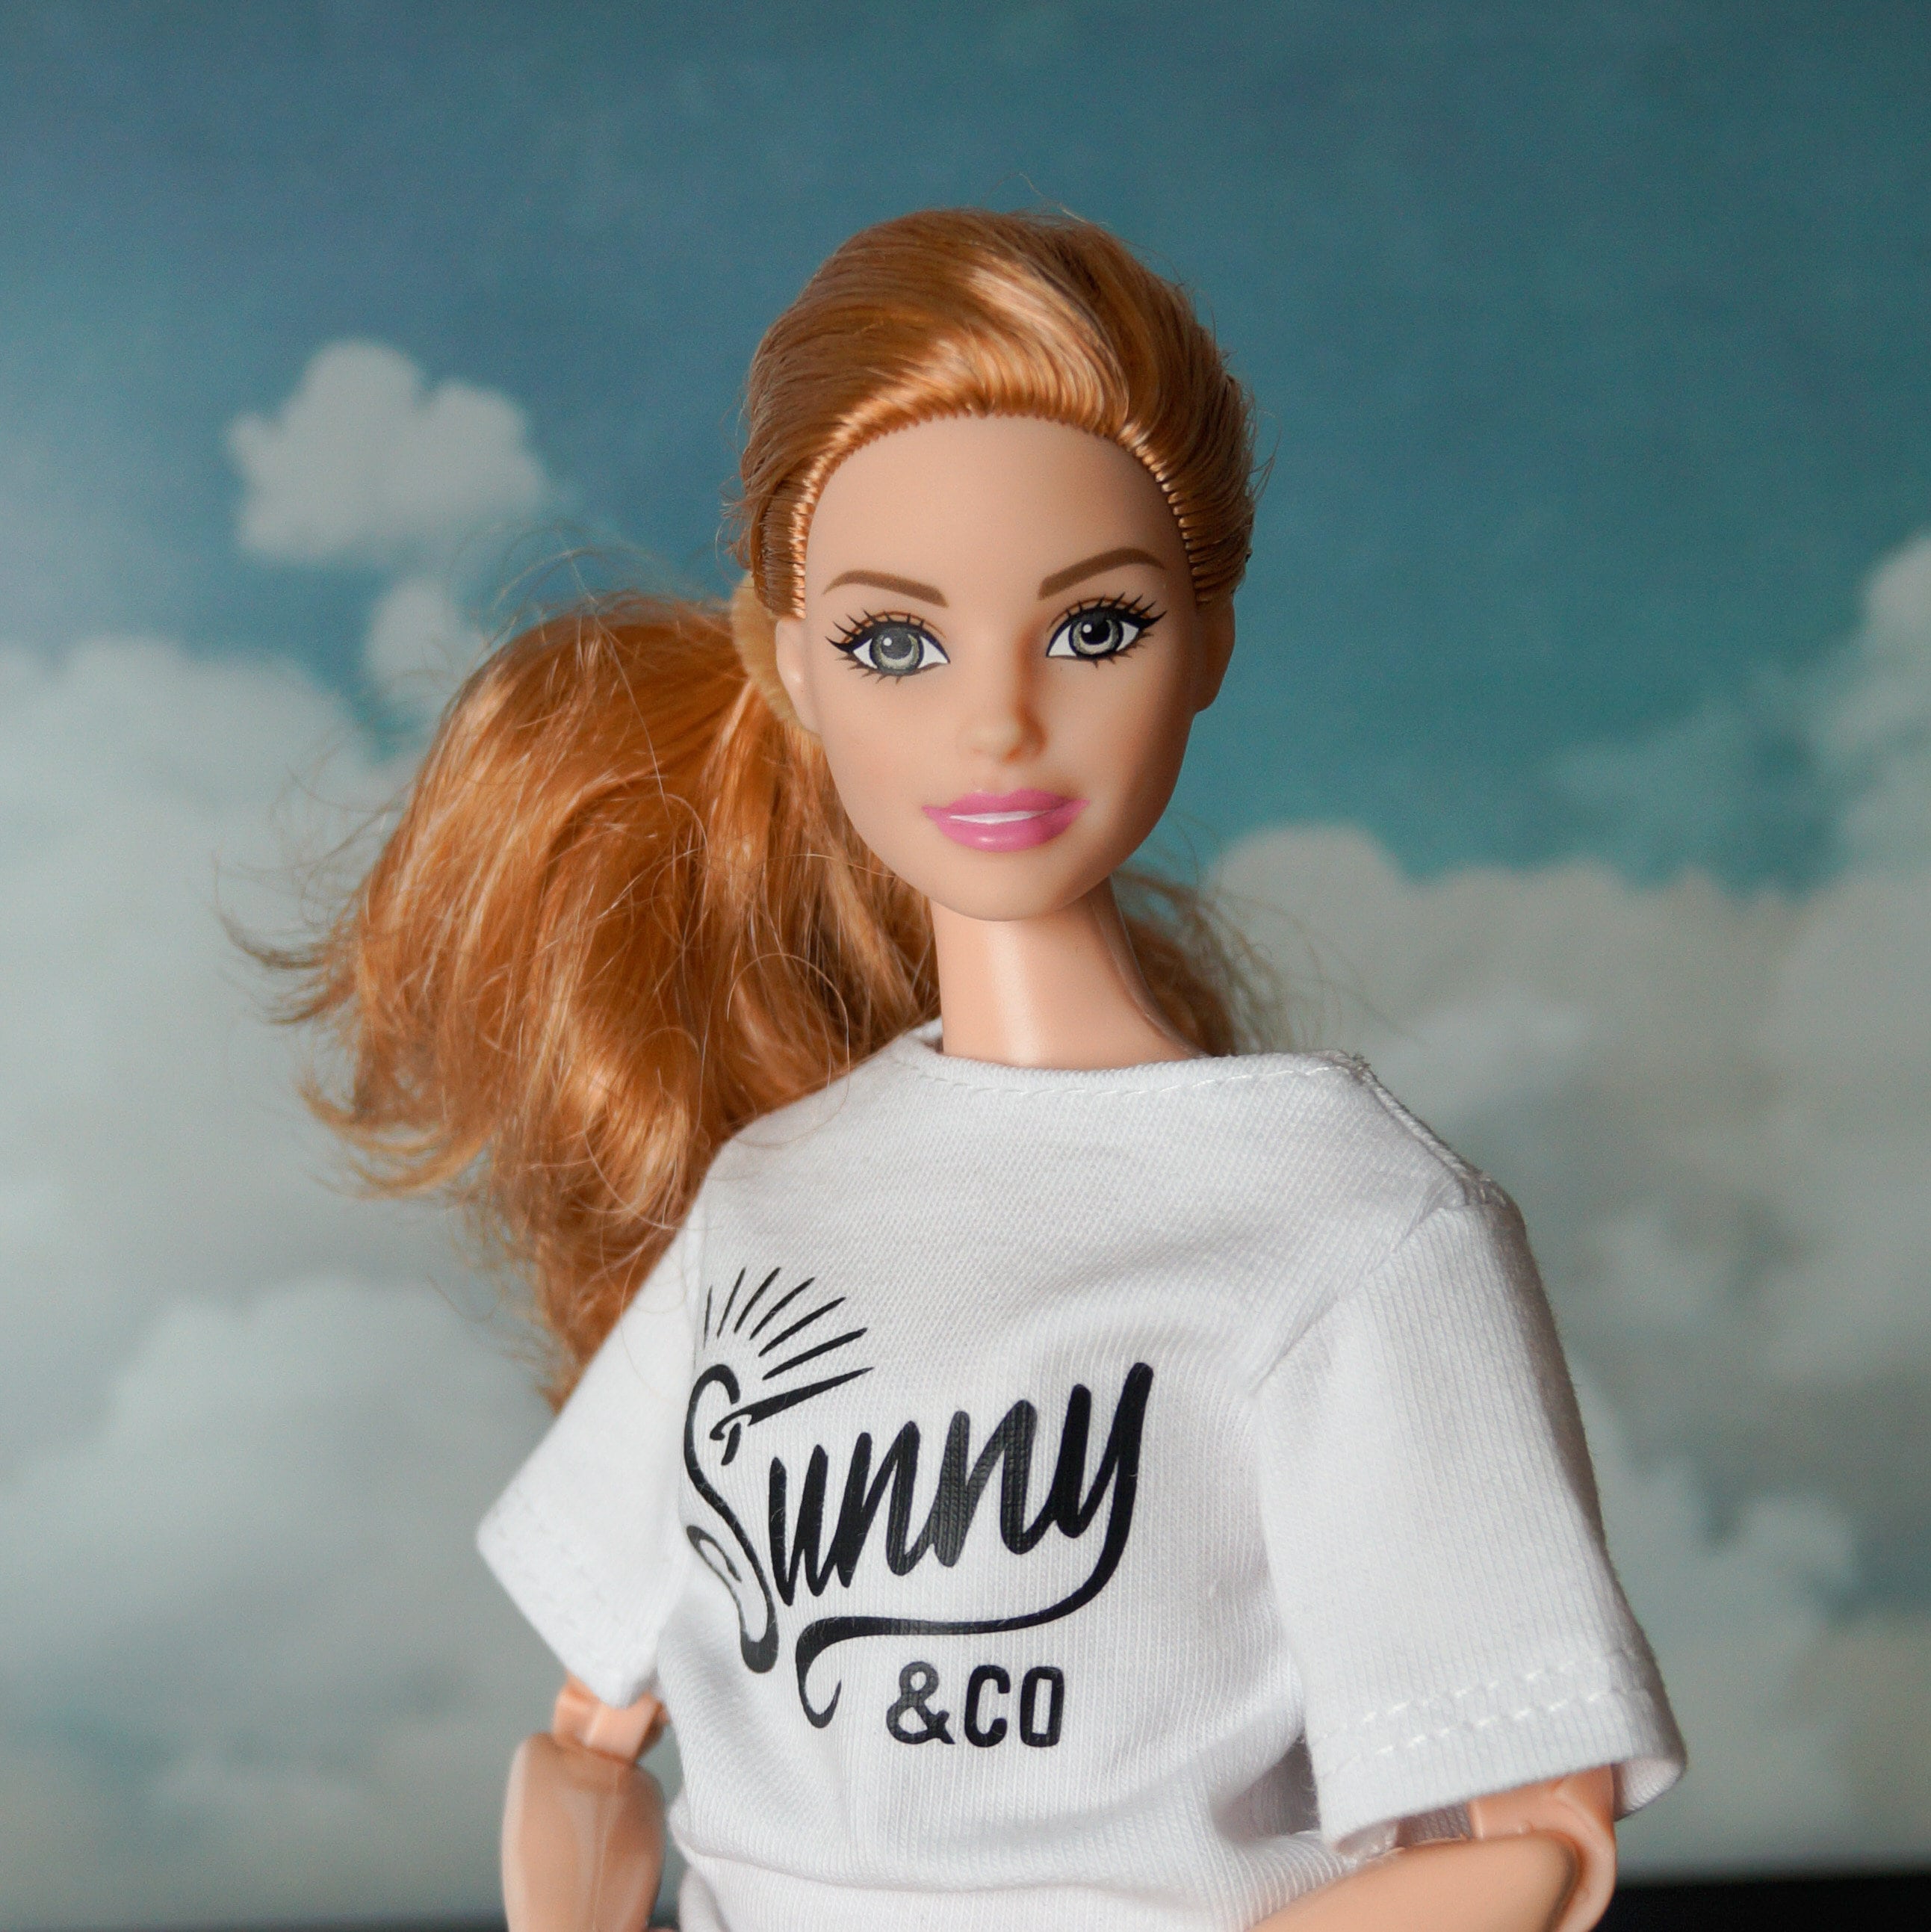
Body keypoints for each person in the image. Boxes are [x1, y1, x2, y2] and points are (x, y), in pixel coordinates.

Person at [285, 209, 1682, 1932]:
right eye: (897, 642)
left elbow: (1534, 1835)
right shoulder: (776, 1195)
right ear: (790, 663)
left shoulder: (1350, 1232)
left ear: (1212, 641)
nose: (999, 721)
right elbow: (594, 1725)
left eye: (1094, 628)